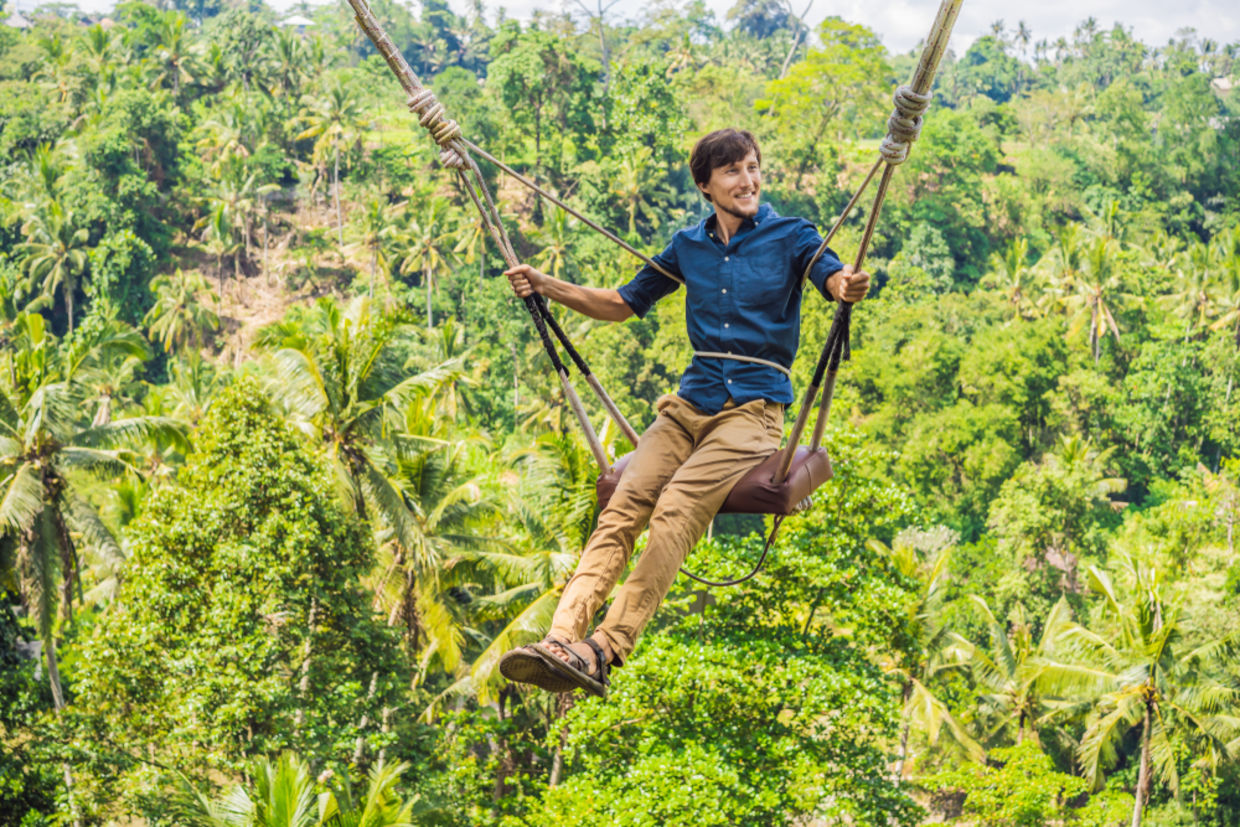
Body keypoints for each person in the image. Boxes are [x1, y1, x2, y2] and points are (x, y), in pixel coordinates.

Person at [498, 128, 871, 698]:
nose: (747, 181)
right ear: (706, 185)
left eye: (752, 168)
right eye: (732, 172)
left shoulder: (792, 237)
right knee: (624, 507)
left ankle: (605, 647)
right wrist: (546, 285)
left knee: (675, 510)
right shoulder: (687, 246)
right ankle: (560, 638)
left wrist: (846, 285)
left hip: (752, 411)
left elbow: (831, 276)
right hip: (687, 406)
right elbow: (622, 304)